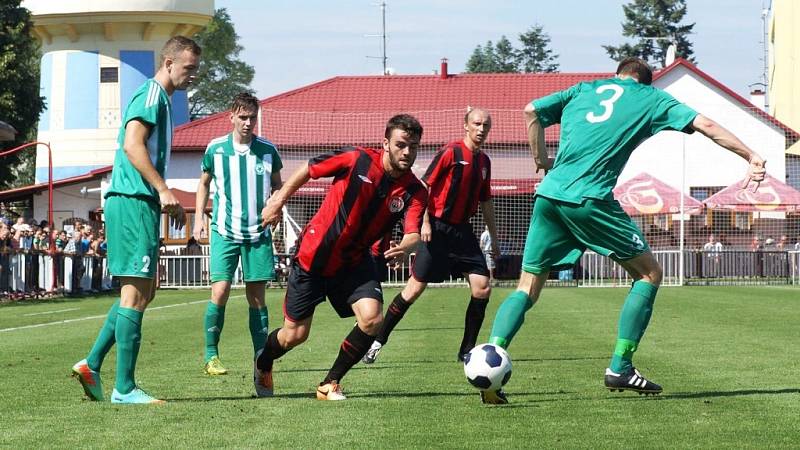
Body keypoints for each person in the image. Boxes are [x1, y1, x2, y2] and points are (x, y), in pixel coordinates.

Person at [482, 57, 767, 404]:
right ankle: (621, 365)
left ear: (617, 75)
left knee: (527, 287)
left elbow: (531, 111)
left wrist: (541, 160)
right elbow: (705, 124)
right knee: (649, 274)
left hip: (548, 196)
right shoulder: (651, 98)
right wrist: (750, 155)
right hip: (590, 199)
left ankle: (491, 359)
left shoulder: (585, 89)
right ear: (646, 82)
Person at [255, 114, 428, 400]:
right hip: (314, 258)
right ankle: (264, 360)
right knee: (294, 336)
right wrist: (278, 200)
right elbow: (308, 169)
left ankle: (329, 383)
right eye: (401, 145)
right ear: (385, 143)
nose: (407, 152)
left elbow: (413, 232)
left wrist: (408, 246)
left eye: (413, 146)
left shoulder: (415, 191)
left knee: (373, 319)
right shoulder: (355, 159)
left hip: (354, 262)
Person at [70, 36, 201, 404]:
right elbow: (132, 144)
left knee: (146, 289)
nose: (192, 76)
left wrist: (163, 195)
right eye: (188, 68)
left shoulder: (161, 100)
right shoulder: (150, 95)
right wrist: (162, 190)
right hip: (132, 201)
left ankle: (92, 364)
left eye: (196, 69)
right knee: (135, 293)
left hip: (140, 202)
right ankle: (123, 388)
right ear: (169, 62)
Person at [363, 108, 499, 364]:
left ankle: (466, 351)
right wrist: (424, 222)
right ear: (466, 126)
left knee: (482, 288)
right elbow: (424, 186)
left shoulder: (485, 162)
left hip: (463, 232)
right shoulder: (451, 152)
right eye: (477, 124)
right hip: (436, 229)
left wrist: (494, 236)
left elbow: (486, 200)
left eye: (486, 125)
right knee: (413, 291)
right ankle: (378, 340)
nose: (481, 129)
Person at [192, 92, 283, 378]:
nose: (247, 123)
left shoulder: (268, 150)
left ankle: (260, 358)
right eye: (242, 117)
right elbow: (203, 184)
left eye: (252, 117)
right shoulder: (216, 149)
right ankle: (211, 354)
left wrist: (276, 207)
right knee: (220, 291)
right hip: (224, 231)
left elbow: (279, 187)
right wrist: (198, 219)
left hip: (258, 233)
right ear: (230, 117)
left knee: (257, 299)